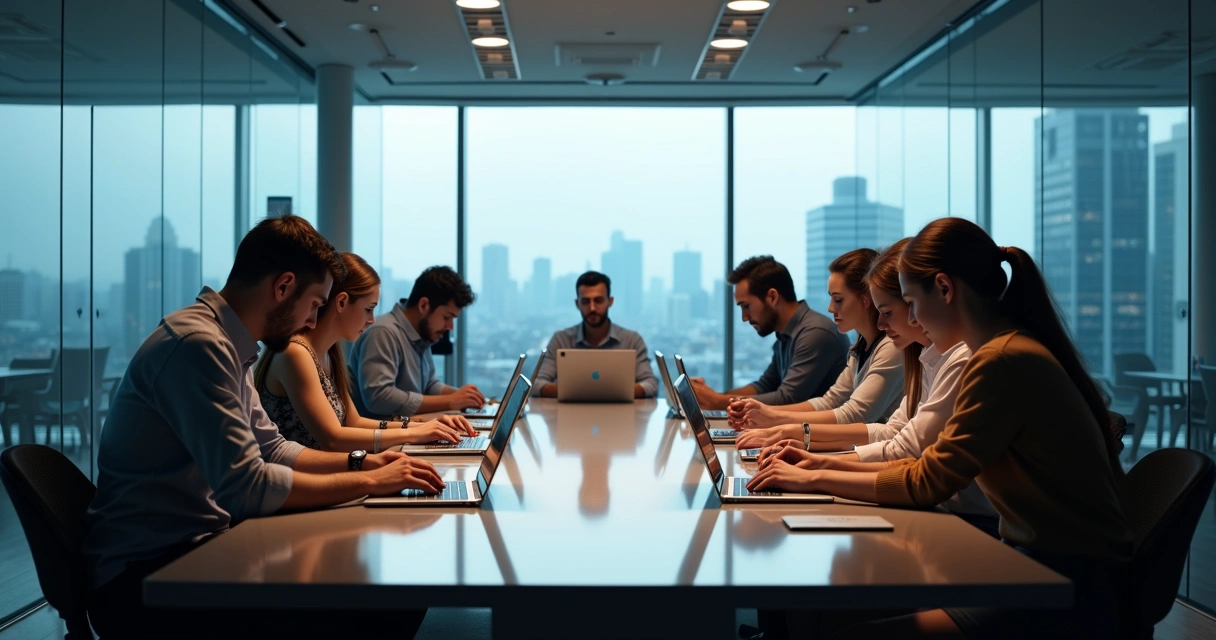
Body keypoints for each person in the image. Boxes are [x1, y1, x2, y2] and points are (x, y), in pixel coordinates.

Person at [748, 218, 1131, 639]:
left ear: (946, 290)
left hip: (1064, 586)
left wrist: (813, 475)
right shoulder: (1006, 347)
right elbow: (924, 462)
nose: (909, 318)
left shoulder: (998, 360)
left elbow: (928, 479)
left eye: (910, 302)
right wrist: (812, 469)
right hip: (1045, 567)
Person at [85, 215, 445, 638]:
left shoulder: (227, 345)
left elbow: (274, 449)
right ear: (283, 286)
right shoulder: (198, 346)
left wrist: (363, 464)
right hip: (144, 580)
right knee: (386, 605)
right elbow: (248, 488)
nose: (313, 321)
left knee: (384, 594)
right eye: (314, 303)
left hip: (193, 548)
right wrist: (370, 481)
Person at [753, 240, 994, 524]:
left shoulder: (958, 359)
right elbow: (892, 433)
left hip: (966, 519)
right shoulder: (926, 358)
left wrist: (812, 468)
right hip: (948, 512)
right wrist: (808, 456)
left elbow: (905, 454)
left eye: (895, 310)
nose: (882, 323)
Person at [255, 252, 477, 453]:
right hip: (306, 486)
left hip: (327, 476)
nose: (371, 320)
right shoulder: (296, 353)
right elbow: (333, 438)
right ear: (341, 302)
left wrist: (421, 426)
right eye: (368, 309)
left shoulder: (330, 353)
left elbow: (354, 422)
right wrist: (414, 432)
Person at [732, 249, 904, 450]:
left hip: (873, 453)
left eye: (838, 299)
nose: (830, 308)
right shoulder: (861, 345)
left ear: (866, 298)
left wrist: (776, 421)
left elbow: (855, 415)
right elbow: (831, 401)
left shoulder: (891, 346)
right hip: (864, 449)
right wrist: (771, 417)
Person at [690, 255, 850, 410]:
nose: (744, 317)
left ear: (772, 297)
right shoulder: (786, 335)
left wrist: (718, 401)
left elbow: (787, 399)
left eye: (746, 306)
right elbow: (765, 386)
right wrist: (712, 397)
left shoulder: (816, 333)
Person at [348, 265, 485, 419]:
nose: (450, 327)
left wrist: (463, 397)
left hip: (405, 433)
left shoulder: (422, 334)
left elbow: (429, 385)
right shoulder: (382, 332)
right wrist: (450, 401)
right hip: (380, 440)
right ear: (423, 305)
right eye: (447, 317)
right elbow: (378, 398)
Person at [533, 271, 658, 398]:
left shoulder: (632, 341)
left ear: (610, 301)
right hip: (570, 415)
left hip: (620, 415)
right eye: (586, 301)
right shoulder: (560, 340)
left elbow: (650, 384)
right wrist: (591, 392)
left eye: (598, 300)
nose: (592, 308)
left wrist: (593, 392)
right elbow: (537, 384)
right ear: (577, 304)